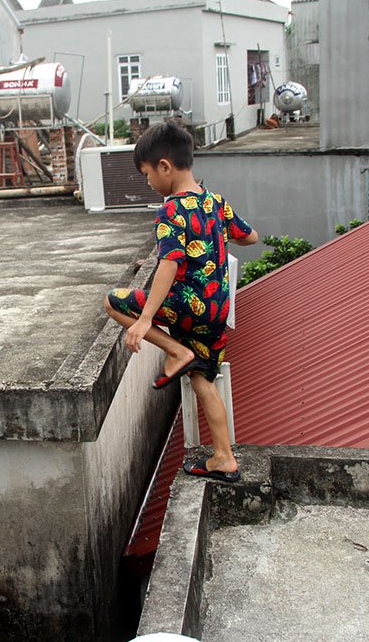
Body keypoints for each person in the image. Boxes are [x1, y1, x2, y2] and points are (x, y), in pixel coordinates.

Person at [104, 120, 258, 482]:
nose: (148, 183)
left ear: (164, 167)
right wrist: (214, 240)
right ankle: (224, 458)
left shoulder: (171, 209)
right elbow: (250, 237)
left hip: (188, 304)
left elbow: (169, 264)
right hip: (218, 309)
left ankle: (175, 351)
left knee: (113, 302)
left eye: (146, 175)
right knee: (203, 381)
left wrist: (145, 320)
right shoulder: (215, 202)